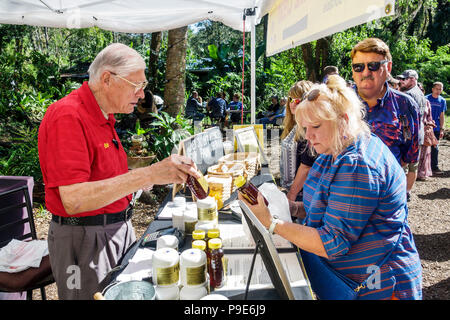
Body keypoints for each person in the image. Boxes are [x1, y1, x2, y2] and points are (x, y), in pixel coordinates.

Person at [38, 43, 200, 300]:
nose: (142, 94)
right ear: (107, 79)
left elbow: (103, 177)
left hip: (112, 230)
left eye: (144, 86)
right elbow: (75, 199)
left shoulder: (103, 116)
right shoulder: (68, 116)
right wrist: (149, 174)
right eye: (136, 85)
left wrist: (145, 179)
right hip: (85, 239)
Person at [239, 75, 422, 300]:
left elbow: (333, 243)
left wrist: (271, 223)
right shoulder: (336, 147)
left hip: (376, 286)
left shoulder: (357, 165)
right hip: (353, 279)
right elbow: (330, 203)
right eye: (304, 128)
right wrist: (293, 208)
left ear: (343, 120)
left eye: (315, 126)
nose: (309, 136)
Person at [350, 38, 420, 201]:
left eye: (373, 66)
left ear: (388, 67)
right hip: (345, 197)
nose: (365, 73)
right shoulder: (337, 104)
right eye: (358, 67)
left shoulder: (404, 104)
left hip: (388, 195)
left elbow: (411, 152)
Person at [280, 80, 316, 202]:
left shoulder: (308, 127)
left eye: (298, 100)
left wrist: (292, 195)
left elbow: (306, 166)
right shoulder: (294, 125)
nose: (293, 103)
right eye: (291, 99)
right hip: (294, 190)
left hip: (304, 194)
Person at [398, 69, 427, 200]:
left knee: (404, 165)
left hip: (409, 135)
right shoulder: (419, 93)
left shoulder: (409, 95)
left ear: (413, 79)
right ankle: (407, 192)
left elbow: (405, 119)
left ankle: (402, 193)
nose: (401, 81)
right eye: (402, 78)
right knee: (412, 166)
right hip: (417, 134)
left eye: (405, 79)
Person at [426, 81, 447, 174]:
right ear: (433, 89)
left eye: (440, 89)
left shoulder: (442, 101)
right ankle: (424, 168)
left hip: (437, 128)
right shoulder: (426, 98)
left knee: (435, 148)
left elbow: (442, 116)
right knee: (425, 147)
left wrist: (442, 128)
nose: (438, 91)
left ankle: (434, 167)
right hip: (427, 127)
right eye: (437, 89)